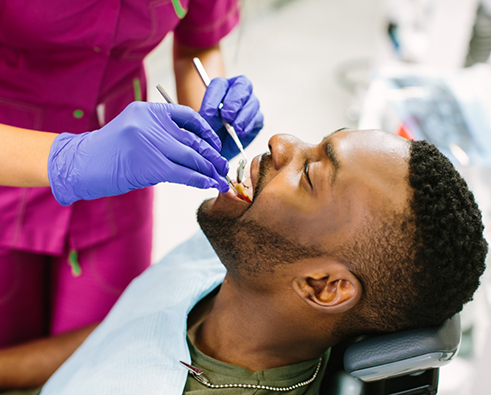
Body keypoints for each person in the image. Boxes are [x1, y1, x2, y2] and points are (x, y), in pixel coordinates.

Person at [9, 128, 482, 394]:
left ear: (323, 286)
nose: (280, 143)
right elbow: (129, 330)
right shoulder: (244, 262)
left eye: (309, 173)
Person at [0, 0, 263, 384]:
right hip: (12, 164)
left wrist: (208, 109)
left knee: (109, 341)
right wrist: (68, 159)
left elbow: (197, 44)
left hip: (122, 172)